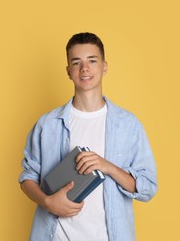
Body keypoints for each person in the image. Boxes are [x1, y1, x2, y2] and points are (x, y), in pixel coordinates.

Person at [19, 32, 157, 241]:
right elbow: (28, 177)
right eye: (76, 63)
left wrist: (107, 166)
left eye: (92, 61)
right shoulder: (47, 125)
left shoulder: (128, 125)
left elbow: (147, 187)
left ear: (104, 66)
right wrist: (47, 202)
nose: (85, 69)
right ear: (68, 71)